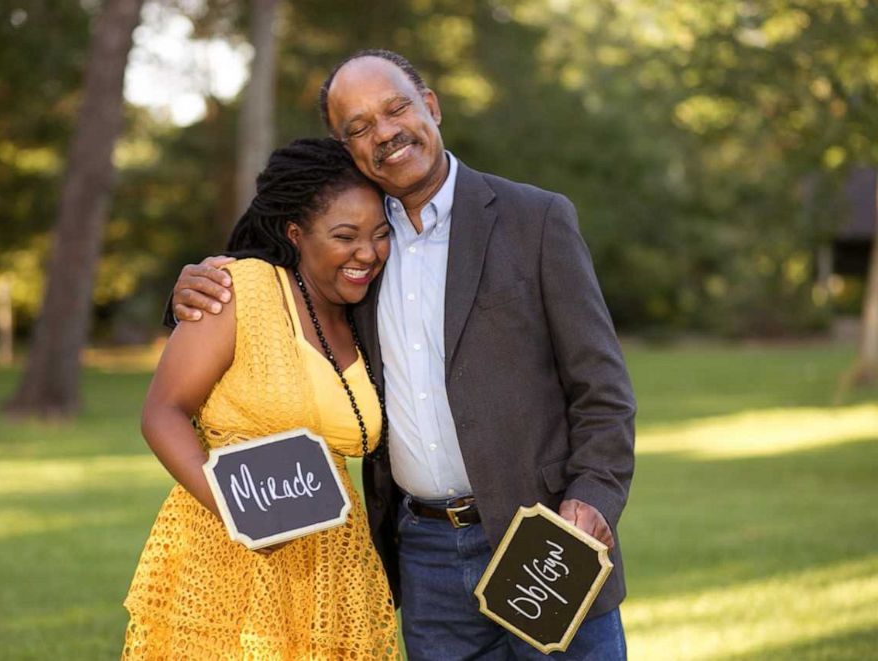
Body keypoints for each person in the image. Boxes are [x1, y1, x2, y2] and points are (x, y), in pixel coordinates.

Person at [170, 50, 636, 660]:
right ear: (346, 149)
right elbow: (261, 293)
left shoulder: (536, 219)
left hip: (545, 540)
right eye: (358, 127)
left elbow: (602, 389)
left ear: (431, 107)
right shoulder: (356, 254)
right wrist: (188, 288)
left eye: (396, 109)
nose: (384, 132)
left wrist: (593, 498)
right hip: (423, 556)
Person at [124, 138, 400, 660]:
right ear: (295, 234)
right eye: (345, 236)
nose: (367, 253)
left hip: (333, 566)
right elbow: (163, 412)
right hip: (230, 551)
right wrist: (239, 513)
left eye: (380, 235)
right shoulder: (238, 289)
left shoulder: (370, 309)